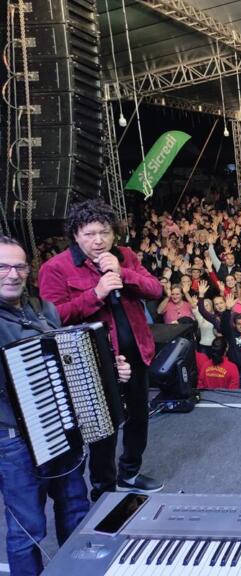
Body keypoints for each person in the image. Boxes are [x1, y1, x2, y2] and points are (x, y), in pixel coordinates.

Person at [0, 236, 131, 575]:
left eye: (19, 266)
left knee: (74, 507)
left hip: (61, 426)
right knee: (27, 527)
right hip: (15, 440)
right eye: (3, 267)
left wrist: (108, 369)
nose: (12, 274)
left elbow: (69, 357)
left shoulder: (42, 310)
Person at [39, 200, 164, 502]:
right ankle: (104, 489)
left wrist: (124, 274)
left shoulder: (126, 256)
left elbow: (155, 289)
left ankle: (130, 473)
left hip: (136, 353)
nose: (99, 240)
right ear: (75, 235)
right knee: (102, 428)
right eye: (90, 233)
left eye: (105, 232)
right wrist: (96, 294)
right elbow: (53, 318)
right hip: (92, 361)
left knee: (139, 418)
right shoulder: (55, 268)